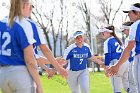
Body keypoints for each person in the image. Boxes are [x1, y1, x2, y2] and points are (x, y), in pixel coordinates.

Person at [0, 0, 42, 93]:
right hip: (20, 75)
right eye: (30, 6)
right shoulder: (24, 23)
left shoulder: (1, 23)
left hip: (2, 76)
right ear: (26, 5)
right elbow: (30, 60)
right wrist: (39, 85)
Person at [108, 3, 140, 93]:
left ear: (137, 12)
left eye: (130, 12)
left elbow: (129, 48)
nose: (128, 15)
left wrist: (117, 66)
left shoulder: (135, 25)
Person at [98, 26, 129, 93]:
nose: (102, 34)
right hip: (125, 62)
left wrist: (106, 67)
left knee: (116, 89)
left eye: (102, 33)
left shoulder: (107, 41)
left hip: (116, 63)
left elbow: (107, 55)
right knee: (127, 86)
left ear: (107, 32)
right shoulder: (118, 40)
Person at [121, 21, 137, 93]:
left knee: (133, 84)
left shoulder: (129, 39)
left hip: (133, 62)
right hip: (133, 62)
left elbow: (128, 52)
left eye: (124, 30)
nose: (124, 32)